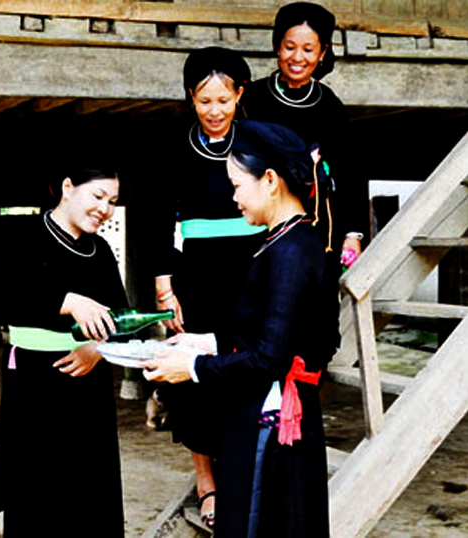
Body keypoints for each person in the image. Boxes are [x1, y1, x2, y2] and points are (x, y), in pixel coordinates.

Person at [145, 119, 339, 537]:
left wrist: (192, 368)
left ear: (269, 180)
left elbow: (270, 358)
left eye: (237, 185)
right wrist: (206, 342)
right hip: (267, 411)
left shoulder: (289, 250)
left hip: (272, 420)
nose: (233, 197)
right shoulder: (285, 240)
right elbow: (273, 334)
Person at [152, 47, 267, 527]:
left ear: (240, 95)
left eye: (224, 100)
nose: (214, 111)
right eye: (204, 101)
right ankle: (207, 481)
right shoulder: (173, 148)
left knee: (246, 368)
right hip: (196, 279)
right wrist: (165, 289)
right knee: (193, 375)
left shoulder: (260, 142)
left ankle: (245, 468)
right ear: (190, 98)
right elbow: (159, 222)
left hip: (253, 272)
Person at [0, 168, 126, 537]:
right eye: (97, 196)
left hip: (89, 382)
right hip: (33, 379)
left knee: (91, 493)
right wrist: (68, 301)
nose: (105, 209)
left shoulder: (100, 250)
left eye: (112, 201)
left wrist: (97, 348)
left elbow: (120, 316)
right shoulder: (23, 235)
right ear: (67, 188)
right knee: (35, 492)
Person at [243, 1, 368, 261]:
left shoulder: (329, 106)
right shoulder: (251, 99)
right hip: (255, 230)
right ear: (276, 46)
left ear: (322, 53)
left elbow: (349, 172)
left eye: (308, 49)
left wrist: (353, 235)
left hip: (316, 230)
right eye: (290, 47)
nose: (298, 58)